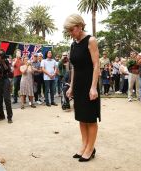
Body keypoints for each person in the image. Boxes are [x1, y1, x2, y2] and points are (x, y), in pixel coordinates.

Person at [64, 14, 100, 162]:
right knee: (81, 117)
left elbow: (96, 64)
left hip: (89, 84)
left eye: (71, 30)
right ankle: (84, 145)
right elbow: (74, 68)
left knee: (90, 118)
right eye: (69, 31)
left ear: (79, 26)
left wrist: (93, 87)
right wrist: (71, 87)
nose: (70, 33)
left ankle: (90, 148)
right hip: (78, 85)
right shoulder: (74, 44)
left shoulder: (90, 40)